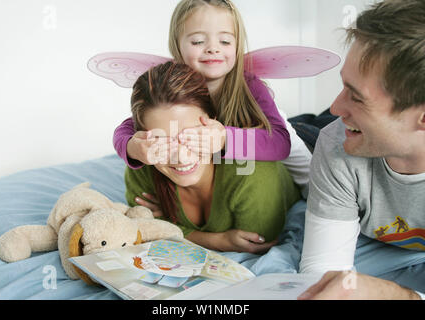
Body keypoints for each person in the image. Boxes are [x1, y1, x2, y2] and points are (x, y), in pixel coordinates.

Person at [114, 0, 313, 203]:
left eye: (225, 41)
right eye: (198, 41)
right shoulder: (171, 83)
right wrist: (131, 147)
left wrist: (225, 139)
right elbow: (130, 125)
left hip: (269, 129)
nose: (213, 49)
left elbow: (280, 143)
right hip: (220, 158)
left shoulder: (250, 86)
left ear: (237, 45)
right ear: (177, 45)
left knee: (314, 184)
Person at [298, 0, 425, 300]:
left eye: (356, 97)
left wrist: (397, 295)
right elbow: (323, 278)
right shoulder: (336, 143)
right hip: (376, 247)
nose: (336, 107)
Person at [124, 61, 300, 253]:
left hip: (307, 137)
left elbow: (257, 244)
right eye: (161, 141)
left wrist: (168, 227)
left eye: (191, 135)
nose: (181, 157)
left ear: (214, 121)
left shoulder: (251, 172)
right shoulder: (142, 162)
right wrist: (216, 241)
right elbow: (142, 227)